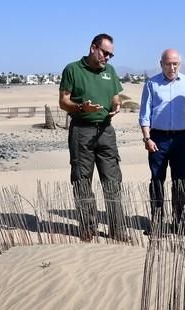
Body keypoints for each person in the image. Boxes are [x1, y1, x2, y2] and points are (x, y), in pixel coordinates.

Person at [59, 33, 126, 242]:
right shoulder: (72, 69)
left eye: (110, 55)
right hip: (82, 130)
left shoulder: (110, 71)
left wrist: (117, 107)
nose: (107, 57)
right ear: (93, 48)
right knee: (82, 180)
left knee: (113, 181)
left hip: (106, 131)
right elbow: (63, 101)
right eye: (105, 53)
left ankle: (118, 230)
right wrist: (81, 107)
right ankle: (88, 228)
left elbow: (116, 98)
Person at [139, 48, 185, 232]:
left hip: (182, 139)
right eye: (168, 63)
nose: (172, 67)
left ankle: (178, 220)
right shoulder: (151, 84)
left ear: (179, 64)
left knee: (180, 181)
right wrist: (147, 138)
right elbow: (145, 115)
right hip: (157, 138)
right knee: (157, 180)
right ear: (161, 64)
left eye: (175, 64)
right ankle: (157, 221)